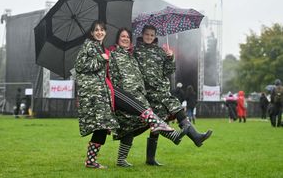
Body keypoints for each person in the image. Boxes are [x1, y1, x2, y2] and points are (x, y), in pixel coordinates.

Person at [74, 21, 184, 169]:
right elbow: (82, 67)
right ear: (92, 33)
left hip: (128, 94)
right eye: (96, 30)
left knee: (103, 127)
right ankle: (162, 127)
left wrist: (170, 58)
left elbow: (158, 71)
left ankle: (91, 161)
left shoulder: (128, 55)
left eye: (101, 30)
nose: (99, 32)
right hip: (108, 92)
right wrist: (102, 58)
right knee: (133, 119)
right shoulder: (105, 51)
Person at [134, 24, 212, 165]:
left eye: (152, 35)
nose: (149, 37)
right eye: (147, 34)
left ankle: (195, 137)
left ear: (155, 36)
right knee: (158, 121)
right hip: (147, 93)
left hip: (161, 90)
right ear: (142, 34)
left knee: (168, 114)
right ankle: (195, 137)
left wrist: (170, 57)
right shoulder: (135, 51)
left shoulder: (160, 51)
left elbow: (169, 71)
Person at [108, 28, 187, 167]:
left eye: (127, 36)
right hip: (125, 96)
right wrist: (120, 96)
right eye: (122, 36)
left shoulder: (130, 55)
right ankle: (173, 135)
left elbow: (163, 70)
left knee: (132, 126)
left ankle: (122, 160)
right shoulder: (114, 55)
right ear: (117, 39)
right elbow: (113, 77)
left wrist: (170, 57)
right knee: (133, 124)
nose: (125, 38)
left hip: (139, 96)